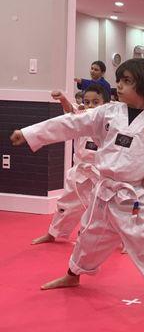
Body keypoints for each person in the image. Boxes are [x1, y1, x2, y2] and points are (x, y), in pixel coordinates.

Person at [11, 58, 144, 321]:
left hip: (136, 198)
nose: (119, 85)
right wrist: (31, 134)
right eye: (119, 80)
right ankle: (72, 275)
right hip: (104, 191)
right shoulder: (108, 112)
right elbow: (71, 123)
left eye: (127, 81)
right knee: (88, 236)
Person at [31, 85, 109, 245]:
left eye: (96, 102)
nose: (90, 106)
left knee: (109, 209)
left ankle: (123, 242)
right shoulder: (81, 116)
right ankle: (53, 233)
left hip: (101, 173)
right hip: (80, 171)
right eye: (87, 102)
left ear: (105, 104)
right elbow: (70, 111)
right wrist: (63, 99)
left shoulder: (110, 120)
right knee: (66, 203)